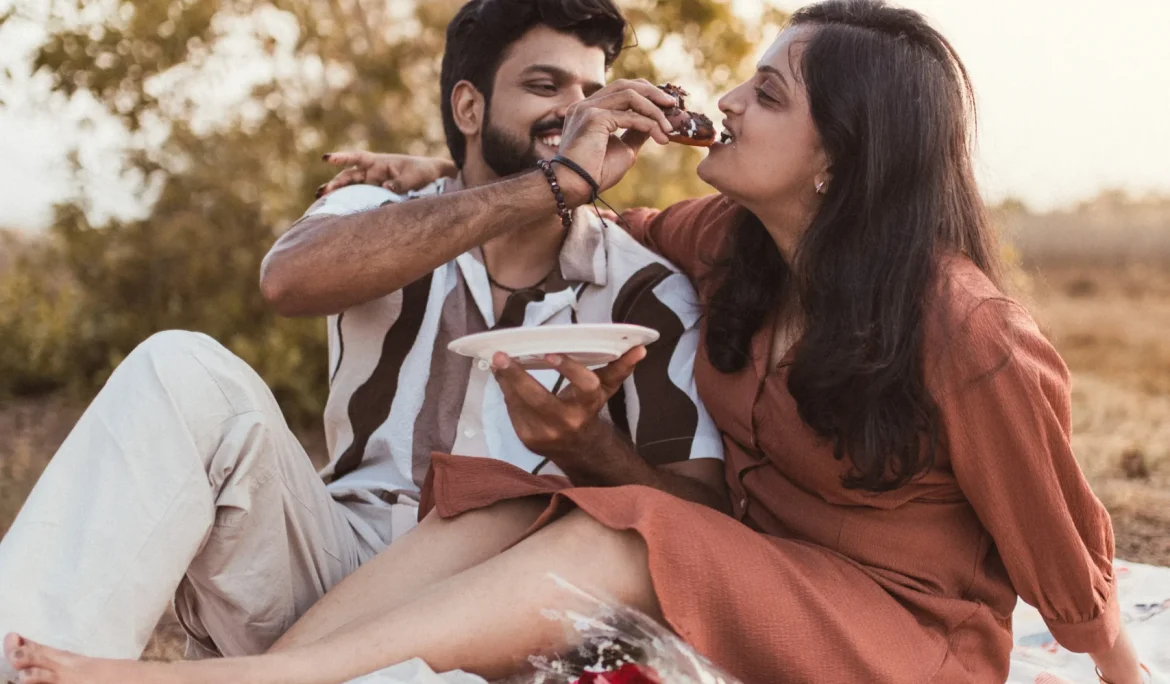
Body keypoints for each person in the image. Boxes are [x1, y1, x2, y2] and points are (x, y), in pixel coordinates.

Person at [3, 0, 1151, 682]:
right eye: (541, 89)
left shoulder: (958, 324)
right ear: (469, 109)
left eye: (766, 93)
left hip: (890, 641)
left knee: (612, 521)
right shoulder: (729, 242)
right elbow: (307, 274)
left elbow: (1064, 553)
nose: (726, 102)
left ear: (837, 156)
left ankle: (253, 683)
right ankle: (206, 668)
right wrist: (473, 182)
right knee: (491, 482)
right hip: (408, 573)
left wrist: (1116, 666)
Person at [0, 1, 724, 681]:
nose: (576, 111)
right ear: (468, 106)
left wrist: (586, 447)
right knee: (180, 369)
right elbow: (290, 280)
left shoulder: (644, 291)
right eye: (546, 85)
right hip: (324, 572)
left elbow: (699, 521)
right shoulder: (378, 213)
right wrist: (553, 184)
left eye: (591, 90)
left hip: (486, 622)